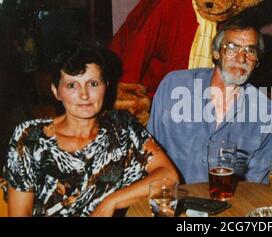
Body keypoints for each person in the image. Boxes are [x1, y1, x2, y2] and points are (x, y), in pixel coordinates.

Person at [1, 42, 178, 217]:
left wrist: (110, 202)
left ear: (106, 86)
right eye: (72, 85)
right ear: (56, 91)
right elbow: (19, 213)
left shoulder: (123, 127)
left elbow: (169, 176)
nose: (84, 95)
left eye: (93, 83)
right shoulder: (29, 137)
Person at [147, 20, 272, 184]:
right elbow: (147, 154)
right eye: (232, 48)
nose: (241, 58)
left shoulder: (264, 111)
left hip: (227, 204)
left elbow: (256, 183)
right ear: (216, 53)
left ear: (256, 61)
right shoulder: (174, 86)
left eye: (250, 51)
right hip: (171, 199)